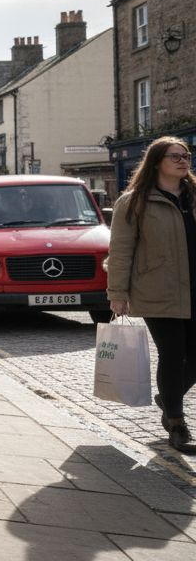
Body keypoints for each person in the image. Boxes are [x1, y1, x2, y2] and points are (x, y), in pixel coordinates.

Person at [107, 136, 196, 454]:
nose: (183, 160)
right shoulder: (134, 202)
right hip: (158, 290)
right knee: (173, 355)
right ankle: (176, 422)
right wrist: (117, 292)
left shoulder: (194, 196)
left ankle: (167, 395)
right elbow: (120, 251)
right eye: (175, 156)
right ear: (157, 161)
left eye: (186, 155)